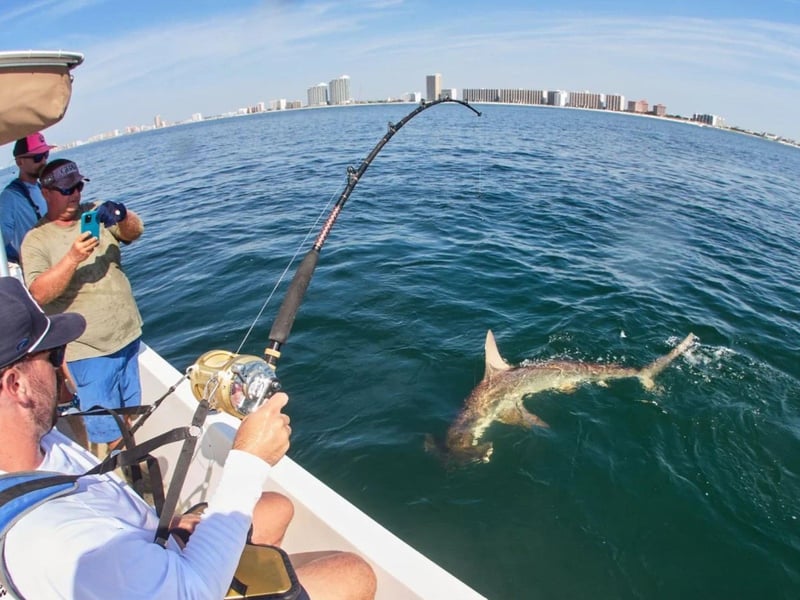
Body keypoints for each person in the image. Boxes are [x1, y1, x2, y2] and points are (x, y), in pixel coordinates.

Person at [0, 276, 377, 599]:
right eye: (53, 356)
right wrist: (250, 460)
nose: (62, 366)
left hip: (145, 559)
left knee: (276, 507)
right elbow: (193, 592)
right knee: (352, 574)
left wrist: (170, 526)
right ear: (16, 385)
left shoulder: (38, 443)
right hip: (185, 588)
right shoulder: (57, 541)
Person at [20, 158, 145, 450]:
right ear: (45, 192)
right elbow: (38, 293)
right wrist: (73, 258)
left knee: (130, 414)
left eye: (78, 186)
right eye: (66, 190)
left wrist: (122, 214)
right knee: (109, 432)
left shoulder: (94, 212)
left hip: (127, 337)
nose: (75, 194)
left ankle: (130, 462)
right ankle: (119, 470)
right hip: (89, 352)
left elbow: (135, 232)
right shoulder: (36, 240)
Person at [0, 132, 54, 270]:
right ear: (19, 162)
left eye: (45, 155)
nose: (43, 161)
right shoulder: (9, 197)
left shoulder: (42, 188)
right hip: (37, 271)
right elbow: (2, 239)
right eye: (37, 158)